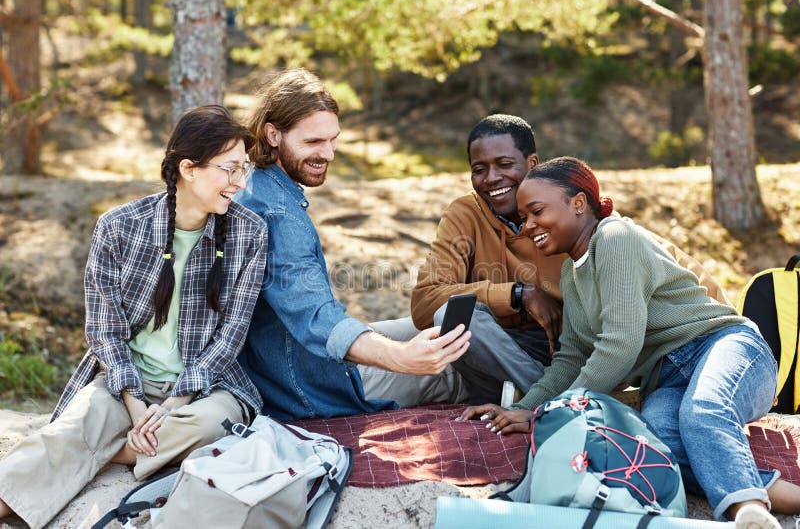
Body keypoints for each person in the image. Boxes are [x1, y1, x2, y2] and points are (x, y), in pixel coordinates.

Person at [460, 156, 800, 527]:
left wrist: (553, 413)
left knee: (701, 411)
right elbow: (571, 358)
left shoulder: (615, 237)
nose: (528, 226)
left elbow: (619, 345)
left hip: (725, 347)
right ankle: (784, 496)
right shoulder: (573, 276)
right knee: (653, 448)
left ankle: (749, 511)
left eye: (536, 211)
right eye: (524, 217)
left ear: (578, 203)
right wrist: (526, 407)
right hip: (669, 381)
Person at [0, 105, 268, 529]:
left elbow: (231, 335)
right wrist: (136, 404)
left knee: (214, 427)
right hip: (125, 384)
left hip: (205, 390)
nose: (240, 182)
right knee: (72, 427)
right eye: (229, 169)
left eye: (244, 169)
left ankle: (101, 453)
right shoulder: (119, 226)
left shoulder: (250, 233)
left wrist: (175, 402)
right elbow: (104, 330)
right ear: (189, 169)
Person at [412, 114, 730, 404]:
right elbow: (425, 301)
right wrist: (517, 294)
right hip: (504, 342)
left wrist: (729, 344)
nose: (491, 178)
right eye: (479, 170)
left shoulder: (577, 217)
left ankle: (547, 400)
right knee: (444, 320)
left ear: (532, 162)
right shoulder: (464, 214)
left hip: (569, 347)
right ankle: (541, 398)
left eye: (504, 164)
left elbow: (673, 266)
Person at [236, 68, 471, 421]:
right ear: (272, 135)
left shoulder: (259, 186)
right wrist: (403, 358)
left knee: (433, 327)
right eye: (313, 142)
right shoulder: (277, 213)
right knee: (454, 372)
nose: (328, 154)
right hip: (303, 380)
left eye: (333, 139)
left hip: (288, 355)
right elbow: (316, 317)